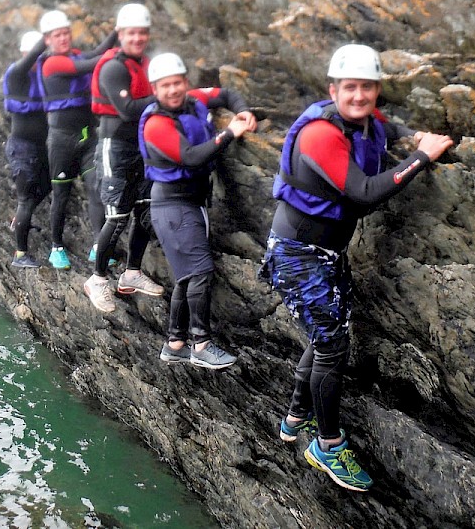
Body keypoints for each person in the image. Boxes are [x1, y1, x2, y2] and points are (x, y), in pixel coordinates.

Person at [259, 43, 453, 492]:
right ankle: (327, 445)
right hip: (297, 254)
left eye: (368, 87)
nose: (359, 95)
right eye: (351, 87)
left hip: (328, 253)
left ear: (377, 89)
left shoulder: (368, 120)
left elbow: (392, 127)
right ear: (334, 89)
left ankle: (294, 417)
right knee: (332, 347)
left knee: (327, 335)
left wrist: (415, 137)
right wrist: (421, 158)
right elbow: (363, 193)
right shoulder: (320, 134)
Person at [138, 52, 257, 369]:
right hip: (173, 205)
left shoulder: (194, 99)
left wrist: (243, 112)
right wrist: (230, 132)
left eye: (177, 83)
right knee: (200, 272)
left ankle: (175, 343)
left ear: (185, 82)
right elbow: (190, 157)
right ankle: (200, 345)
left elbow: (227, 93)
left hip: (192, 201)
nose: (173, 90)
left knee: (187, 276)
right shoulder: (156, 124)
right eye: (165, 86)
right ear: (155, 89)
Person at [84, 2, 163, 313]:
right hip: (115, 145)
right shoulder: (113, 66)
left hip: (142, 147)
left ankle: (131, 273)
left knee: (144, 209)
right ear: (120, 34)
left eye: (143, 33)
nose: (138, 38)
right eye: (132, 33)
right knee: (117, 217)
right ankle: (97, 280)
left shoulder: (145, 63)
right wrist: (167, 96)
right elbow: (128, 109)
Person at [37, 9, 117, 270]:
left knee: (96, 187)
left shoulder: (75, 55)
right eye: (57, 35)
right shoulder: (52, 63)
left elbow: (94, 54)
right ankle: (56, 247)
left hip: (87, 136)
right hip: (61, 140)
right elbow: (91, 64)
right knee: (61, 194)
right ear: (48, 40)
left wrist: (119, 31)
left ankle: (98, 245)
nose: (63, 38)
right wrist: (118, 50)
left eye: (66, 33)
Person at [2, 29, 50, 268]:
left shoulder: (43, 77)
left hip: (39, 146)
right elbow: (31, 58)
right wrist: (47, 37)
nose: (38, 62)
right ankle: (20, 255)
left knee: (48, 185)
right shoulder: (16, 73)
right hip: (21, 148)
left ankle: (19, 220)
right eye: (35, 57)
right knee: (26, 199)